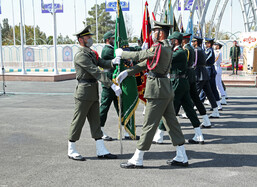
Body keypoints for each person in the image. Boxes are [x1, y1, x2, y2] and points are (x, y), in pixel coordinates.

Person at [116, 21, 189, 168]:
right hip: (165, 89)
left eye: (154, 31)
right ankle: (182, 155)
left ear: (160, 33)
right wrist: (128, 72)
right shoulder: (167, 47)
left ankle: (138, 158)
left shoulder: (158, 47)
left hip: (157, 90)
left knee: (149, 125)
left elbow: (140, 55)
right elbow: (145, 63)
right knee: (172, 123)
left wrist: (122, 53)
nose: (152, 34)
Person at [68, 26, 121, 161]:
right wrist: (111, 85)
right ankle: (71, 148)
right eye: (88, 37)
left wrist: (113, 62)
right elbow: (95, 71)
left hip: (92, 91)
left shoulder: (90, 53)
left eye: (90, 37)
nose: (90, 39)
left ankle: (101, 149)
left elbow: (101, 63)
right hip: (84, 92)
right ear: (81, 40)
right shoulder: (81, 55)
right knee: (78, 120)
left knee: (95, 121)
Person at [153, 31, 204, 144]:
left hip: (178, 82)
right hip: (181, 82)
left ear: (175, 41)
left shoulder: (179, 52)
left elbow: (165, 59)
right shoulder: (178, 51)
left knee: (168, 108)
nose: (169, 42)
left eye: (171, 40)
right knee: (189, 109)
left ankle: (159, 135)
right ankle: (199, 135)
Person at [181, 33, 212, 128]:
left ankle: (161, 131)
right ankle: (206, 120)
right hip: (193, 74)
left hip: (188, 75)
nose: (193, 42)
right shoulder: (191, 49)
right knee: (196, 98)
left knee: (180, 100)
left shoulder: (187, 49)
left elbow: (191, 63)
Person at [191, 36, 220, 118]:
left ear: (196, 42)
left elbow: (195, 63)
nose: (192, 43)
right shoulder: (202, 50)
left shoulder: (196, 50)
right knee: (209, 93)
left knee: (195, 93)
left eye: (193, 41)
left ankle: (188, 111)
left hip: (200, 73)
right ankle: (215, 110)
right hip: (204, 73)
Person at [99, 31, 118, 141]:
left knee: (120, 106)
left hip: (115, 81)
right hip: (108, 82)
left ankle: (126, 130)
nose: (114, 39)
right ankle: (99, 130)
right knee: (105, 106)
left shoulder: (111, 48)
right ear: (107, 40)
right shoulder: (107, 50)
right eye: (112, 38)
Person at [202, 38, 222, 110]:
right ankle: (217, 104)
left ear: (209, 44)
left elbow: (205, 59)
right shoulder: (209, 50)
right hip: (210, 70)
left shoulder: (209, 50)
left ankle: (199, 103)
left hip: (209, 70)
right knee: (213, 88)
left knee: (206, 88)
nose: (205, 45)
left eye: (206, 43)